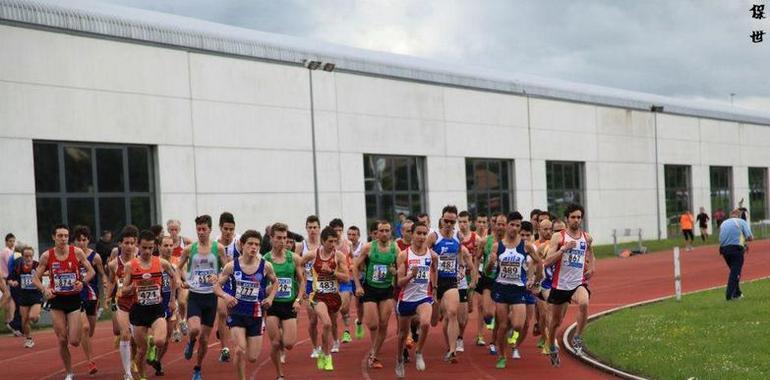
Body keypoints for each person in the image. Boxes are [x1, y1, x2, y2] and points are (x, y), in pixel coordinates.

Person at [32, 224, 95, 380]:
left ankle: (73, 334)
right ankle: (69, 372)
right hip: (57, 301)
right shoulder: (47, 256)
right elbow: (35, 278)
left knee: (74, 341)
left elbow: (91, 271)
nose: (63, 239)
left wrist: (83, 282)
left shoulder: (77, 252)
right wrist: (44, 290)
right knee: (61, 339)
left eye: (66, 236)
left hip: (73, 300)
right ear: (54, 237)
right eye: (60, 236)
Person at [214, 230, 278, 380]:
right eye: (250, 243)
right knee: (239, 350)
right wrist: (226, 295)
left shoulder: (265, 266)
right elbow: (216, 286)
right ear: (242, 245)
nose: (253, 247)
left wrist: (271, 298)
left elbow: (276, 282)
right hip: (237, 313)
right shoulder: (232, 266)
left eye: (257, 244)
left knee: (253, 357)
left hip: (256, 314)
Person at [485, 213, 541, 369]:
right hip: (501, 289)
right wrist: (490, 262)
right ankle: (502, 356)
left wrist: (536, 282)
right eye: (512, 225)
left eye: (518, 226)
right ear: (507, 225)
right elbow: (489, 271)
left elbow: (539, 262)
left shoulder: (526, 246)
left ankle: (510, 327)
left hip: (518, 290)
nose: (515, 228)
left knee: (518, 325)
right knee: (502, 325)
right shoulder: (498, 246)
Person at [175, 214, 227, 380]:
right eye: (199, 229)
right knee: (195, 329)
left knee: (204, 339)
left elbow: (226, 269)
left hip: (211, 297)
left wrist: (218, 278)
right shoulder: (190, 249)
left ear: (210, 230)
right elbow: (178, 268)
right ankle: (190, 341)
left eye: (204, 229)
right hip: (196, 296)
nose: (201, 232)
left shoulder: (218, 248)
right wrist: (179, 281)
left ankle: (197, 368)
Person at [121, 230, 177, 380]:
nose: (147, 251)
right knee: (141, 350)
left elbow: (174, 278)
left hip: (156, 309)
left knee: (160, 341)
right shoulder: (130, 265)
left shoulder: (161, 263)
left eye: (150, 248)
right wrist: (131, 288)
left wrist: (172, 300)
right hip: (138, 311)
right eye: (144, 247)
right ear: (138, 246)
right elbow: (123, 290)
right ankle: (143, 376)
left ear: (154, 248)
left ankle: (153, 342)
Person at [544, 204, 595, 366]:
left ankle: (578, 338)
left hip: (577, 283)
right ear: (567, 219)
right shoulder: (558, 237)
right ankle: (551, 345)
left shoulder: (586, 237)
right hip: (560, 285)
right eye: (573, 217)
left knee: (584, 302)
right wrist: (563, 250)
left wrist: (592, 267)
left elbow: (591, 253)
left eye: (579, 217)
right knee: (555, 323)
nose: (576, 220)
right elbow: (547, 262)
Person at [427, 205, 476, 364]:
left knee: (452, 313)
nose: (449, 224)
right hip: (434, 281)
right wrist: (432, 256)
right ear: (442, 219)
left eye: (451, 221)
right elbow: (422, 253)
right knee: (435, 321)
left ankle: (452, 350)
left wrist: (461, 267)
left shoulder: (458, 236)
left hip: (450, 280)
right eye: (446, 220)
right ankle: (449, 345)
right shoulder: (433, 236)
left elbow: (460, 253)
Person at [354, 220, 400, 369]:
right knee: (373, 324)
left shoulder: (395, 249)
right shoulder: (369, 247)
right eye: (381, 231)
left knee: (383, 324)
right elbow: (355, 266)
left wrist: (396, 273)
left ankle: (374, 355)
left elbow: (401, 269)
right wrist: (358, 285)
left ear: (391, 232)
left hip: (387, 289)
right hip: (370, 289)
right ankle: (374, 351)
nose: (384, 233)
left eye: (387, 230)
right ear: (377, 232)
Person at [395, 222, 437, 377]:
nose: (421, 237)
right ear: (411, 235)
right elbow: (399, 283)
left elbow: (434, 271)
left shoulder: (431, 255)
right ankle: (399, 359)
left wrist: (435, 289)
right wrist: (410, 275)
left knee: (425, 322)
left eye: (424, 234)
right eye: (418, 233)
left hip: (423, 297)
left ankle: (419, 351)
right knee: (401, 335)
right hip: (406, 299)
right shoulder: (404, 255)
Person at [264, 223, 306, 380]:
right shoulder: (265, 260)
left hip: (289, 304)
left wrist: (299, 299)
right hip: (273, 305)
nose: (281, 241)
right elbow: (260, 283)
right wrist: (267, 293)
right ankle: (279, 374)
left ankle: (282, 333)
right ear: (271, 238)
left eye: (284, 238)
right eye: (278, 238)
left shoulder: (293, 258)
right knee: (275, 344)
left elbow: (302, 281)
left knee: (288, 344)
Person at [106, 225, 140, 380]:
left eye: (132, 243)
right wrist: (107, 297)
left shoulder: (141, 261)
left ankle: (134, 359)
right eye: (126, 243)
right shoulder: (114, 264)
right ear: (120, 244)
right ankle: (127, 373)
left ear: (136, 244)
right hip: (122, 302)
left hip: (139, 303)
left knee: (137, 338)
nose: (129, 246)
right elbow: (112, 281)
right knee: (124, 334)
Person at [73, 225, 106, 375]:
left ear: (88, 240)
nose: (81, 243)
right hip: (76, 294)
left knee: (90, 331)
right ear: (74, 241)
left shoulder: (95, 257)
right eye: (78, 240)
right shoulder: (71, 255)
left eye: (84, 240)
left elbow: (102, 274)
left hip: (92, 295)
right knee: (85, 328)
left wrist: (106, 283)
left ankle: (79, 333)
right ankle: (90, 362)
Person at [151, 234, 183, 376]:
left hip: (169, 303)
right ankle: (149, 352)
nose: (169, 248)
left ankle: (157, 360)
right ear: (159, 247)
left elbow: (177, 282)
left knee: (167, 338)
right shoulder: (153, 262)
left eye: (171, 245)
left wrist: (173, 300)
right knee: (157, 336)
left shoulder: (175, 264)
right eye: (166, 245)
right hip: (154, 304)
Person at [475, 213, 504, 355]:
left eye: (503, 224)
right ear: (493, 225)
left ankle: (494, 342)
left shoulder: (511, 242)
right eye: (497, 224)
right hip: (488, 278)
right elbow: (477, 258)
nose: (500, 227)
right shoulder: (485, 241)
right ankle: (491, 326)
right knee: (487, 312)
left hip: (504, 280)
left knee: (500, 313)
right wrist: (475, 275)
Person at [295, 215, 323, 358]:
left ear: (319, 228)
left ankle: (327, 345)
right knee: (313, 320)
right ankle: (315, 347)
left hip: (324, 284)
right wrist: (302, 279)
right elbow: (296, 263)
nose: (312, 230)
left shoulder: (324, 245)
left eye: (315, 227)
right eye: (310, 227)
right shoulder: (301, 245)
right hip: (309, 284)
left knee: (327, 319)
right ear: (306, 228)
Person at [7, 246, 42, 348]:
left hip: (36, 295)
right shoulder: (18, 267)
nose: (28, 258)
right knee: (24, 320)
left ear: (33, 256)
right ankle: (29, 339)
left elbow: (47, 272)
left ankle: (36, 318)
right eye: (26, 256)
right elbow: (10, 279)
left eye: (30, 256)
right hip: (23, 296)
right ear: (22, 256)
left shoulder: (37, 265)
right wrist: (12, 282)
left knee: (32, 317)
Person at [215, 211, 238, 363]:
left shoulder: (239, 242)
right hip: (221, 283)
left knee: (234, 316)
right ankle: (224, 349)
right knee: (222, 312)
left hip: (237, 283)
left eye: (231, 229)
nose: (228, 232)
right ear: (220, 228)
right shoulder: (215, 244)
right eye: (226, 229)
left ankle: (226, 330)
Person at [456, 210, 479, 353]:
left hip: (469, 277)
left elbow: (475, 262)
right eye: (460, 222)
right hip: (453, 281)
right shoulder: (454, 240)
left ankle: (459, 334)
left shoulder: (476, 239)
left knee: (467, 311)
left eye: (465, 221)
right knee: (452, 312)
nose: (462, 224)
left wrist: (475, 278)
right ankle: (456, 338)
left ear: (470, 222)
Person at [719, 209, 753, 301]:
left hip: (724, 250)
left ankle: (737, 293)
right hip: (736, 250)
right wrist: (744, 242)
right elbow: (750, 238)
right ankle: (729, 295)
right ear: (739, 215)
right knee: (735, 272)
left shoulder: (724, 223)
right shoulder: (741, 222)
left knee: (734, 271)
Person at [167, 218, 192, 339]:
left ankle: (183, 320)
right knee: (174, 304)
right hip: (171, 277)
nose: (173, 232)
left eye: (176, 229)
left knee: (182, 302)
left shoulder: (186, 241)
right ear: (168, 230)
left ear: (179, 230)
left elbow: (194, 255)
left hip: (183, 277)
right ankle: (176, 329)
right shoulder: (166, 243)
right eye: (171, 229)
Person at [329, 218, 352, 351]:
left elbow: (352, 258)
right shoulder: (328, 245)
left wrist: (352, 265)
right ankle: (336, 340)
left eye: (340, 230)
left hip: (344, 279)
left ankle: (347, 329)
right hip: (332, 281)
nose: (338, 232)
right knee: (334, 311)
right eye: (335, 230)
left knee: (344, 307)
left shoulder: (347, 244)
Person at [347, 225, 366, 340]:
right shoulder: (348, 247)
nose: (351, 237)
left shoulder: (363, 247)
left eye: (354, 235)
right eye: (349, 234)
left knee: (367, 302)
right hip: (353, 279)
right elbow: (347, 260)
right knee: (358, 305)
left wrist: (359, 266)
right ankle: (359, 323)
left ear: (358, 236)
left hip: (364, 278)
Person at [1, 233, 20, 335]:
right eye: (10, 241)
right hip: (5, 278)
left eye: (13, 241)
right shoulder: (7, 252)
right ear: (6, 242)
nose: (12, 243)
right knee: (9, 297)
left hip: (6, 277)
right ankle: (12, 323)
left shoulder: (10, 252)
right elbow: (11, 266)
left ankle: (9, 322)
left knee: (9, 300)